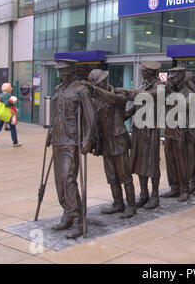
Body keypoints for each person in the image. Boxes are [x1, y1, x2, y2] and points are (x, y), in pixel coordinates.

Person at [47, 59, 96, 239]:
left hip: (72, 140)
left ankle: (78, 219)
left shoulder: (80, 89)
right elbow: (56, 115)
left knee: (68, 178)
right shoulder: (59, 90)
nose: (63, 74)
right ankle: (67, 212)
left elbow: (91, 117)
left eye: (66, 71)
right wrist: (51, 133)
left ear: (73, 71)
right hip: (58, 139)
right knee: (59, 180)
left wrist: (88, 139)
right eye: (61, 72)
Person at [87, 69, 137, 218]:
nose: (105, 81)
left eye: (104, 79)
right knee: (112, 176)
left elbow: (115, 101)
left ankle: (132, 206)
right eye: (102, 79)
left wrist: (94, 91)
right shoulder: (95, 100)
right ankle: (118, 203)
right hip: (106, 142)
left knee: (125, 176)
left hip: (119, 140)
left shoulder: (118, 94)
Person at [120, 61, 163, 209]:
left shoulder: (161, 86)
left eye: (143, 71)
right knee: (138, 161)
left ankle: (155, 195)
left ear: (150, 72)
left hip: (151, 130)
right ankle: (144, 193)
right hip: (138, 129)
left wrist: (128, 92)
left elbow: (148, 97)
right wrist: (122, 116)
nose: (141, 73)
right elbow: (135, 106)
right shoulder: (143, 86)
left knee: (152, 162)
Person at [161, 67, 195, 201]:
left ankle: (184, 189)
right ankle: (174, 188)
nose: (171, 80)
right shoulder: (170, 91)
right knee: (170, 161)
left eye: (174, 77)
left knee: (181, 161)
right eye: (170, 78)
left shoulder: (189, 92)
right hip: (169, 129)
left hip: (182, 131)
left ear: (181, 77)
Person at [0, 83, 22, 149]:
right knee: (13, 127)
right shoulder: (8, 95)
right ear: (8, 88)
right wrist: (12, 102)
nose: (12, 88)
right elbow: (6, 104)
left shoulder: (0, 95)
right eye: (10, 86)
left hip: (0, 113)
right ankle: (15, 142)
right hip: (7, 114)